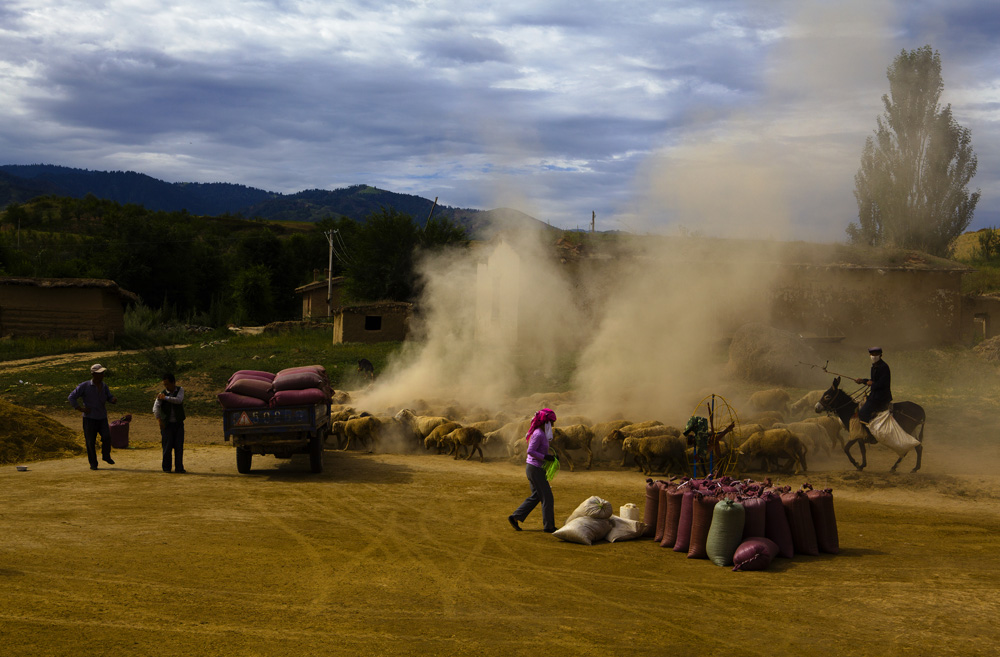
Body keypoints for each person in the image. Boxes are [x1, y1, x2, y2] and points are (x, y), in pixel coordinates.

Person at [508, 408, 557, 533]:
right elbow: (530, 451)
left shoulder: (541, 433)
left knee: (536, 496)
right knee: (547, 497)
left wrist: (550, 457)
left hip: (535, 468)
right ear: (545, 422)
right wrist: (545, 457)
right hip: (535, 469)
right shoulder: (539, 434)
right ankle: (549, 526)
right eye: (551, 422)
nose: (552, 425)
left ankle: (515, 517)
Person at [68, 363, 118, 470]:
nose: (102, 375)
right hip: (89, 418)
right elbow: (71, 397)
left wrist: (112, 399)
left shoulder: (104, 386)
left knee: (107, 437)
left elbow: (109, 397)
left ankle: (106, 455)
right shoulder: (84, 386)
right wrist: (80, 409)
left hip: (102, 417)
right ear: (94, 374)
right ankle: (93, 463)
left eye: (103, 373)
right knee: (90, 441)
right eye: (100, 373)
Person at [154, 372, 186, 473]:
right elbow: (155, 408)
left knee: (179, 447)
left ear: (173, 383)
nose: (166, 386)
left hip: (178, 423)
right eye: (165, 385)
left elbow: (179, 400)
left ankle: (179, 468)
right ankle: (167, 468)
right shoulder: (162, 394)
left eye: (167, 384)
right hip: (167, 424)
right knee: (167, 448)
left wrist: (166, 398)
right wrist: (159, 420)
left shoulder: (180, 390)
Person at [854, 346, 892, 424]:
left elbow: (883, 383)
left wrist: (872, 384)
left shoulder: (884, 367)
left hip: (881, 397)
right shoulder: (875, 366)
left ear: (881, 355)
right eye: (872, 354)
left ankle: (870, 433)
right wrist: (862, 381)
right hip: (875, 395)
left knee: (862, 413)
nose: (874, 356)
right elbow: (872, 381)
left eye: (876, 354)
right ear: (870, 355)